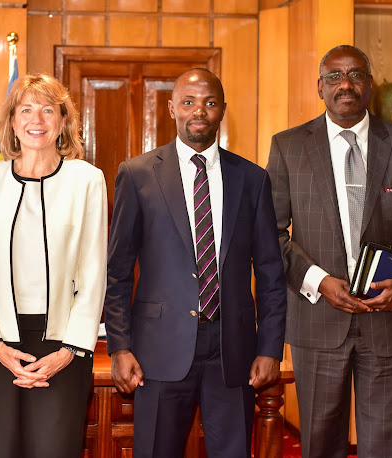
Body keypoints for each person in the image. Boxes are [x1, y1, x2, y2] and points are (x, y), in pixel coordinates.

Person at [266, 45, 392, 458]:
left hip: (390, 322)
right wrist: (318, 280)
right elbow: (271, 234)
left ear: (370, 85)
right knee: (319, 445)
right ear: (320, 87)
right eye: (334, 76)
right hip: (317, 321)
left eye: (355, 75)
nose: (345, 85)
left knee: (386, 447)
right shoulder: (288, 148)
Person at [104, 68, 287, 458]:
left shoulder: (252, 179)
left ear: (222, 110)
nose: (198, 111)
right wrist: (120, 347)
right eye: (188, 102)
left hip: (232, 350)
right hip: (158, 350)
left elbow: (271, 272)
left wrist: (270, 348)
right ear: (172, 108)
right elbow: (117, 270)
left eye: (209, 103)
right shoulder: (137, 175)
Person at [0, 74, 107, 458]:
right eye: (25, 109)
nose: (35, 119)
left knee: (56, 449)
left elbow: (93, 273)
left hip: (64, 344)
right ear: (12, 121)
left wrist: (69, 350)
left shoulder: (87, 180)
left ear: (62, 121)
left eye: (47, 110)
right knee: (5, 449)